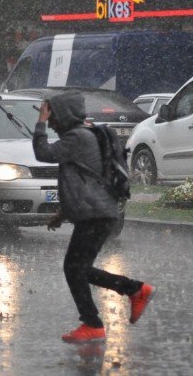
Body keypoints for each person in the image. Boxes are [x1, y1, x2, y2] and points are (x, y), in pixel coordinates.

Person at [32, 90, 155, 343]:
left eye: (53, 117)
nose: (52, 124)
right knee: (78, 268)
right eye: (49, 119)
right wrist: (63, 213)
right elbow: (82, 182)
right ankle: (130, 293)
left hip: (96, 215)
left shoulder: (77, 137)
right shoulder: (81, 136)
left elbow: (42, 152)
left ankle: (101, 317)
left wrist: (40, 122)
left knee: (74, 268)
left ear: (63, 116)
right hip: (97, 213)